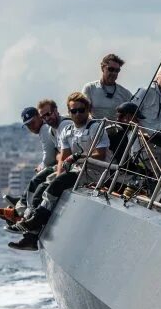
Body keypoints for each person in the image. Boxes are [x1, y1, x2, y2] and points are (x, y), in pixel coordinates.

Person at [9, 92, 109, 251]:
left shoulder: (95, 127)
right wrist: (59, 172)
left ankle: (34, 220)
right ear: (68, 112)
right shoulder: (68, 131)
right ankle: (30, 221)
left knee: (57, 183)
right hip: (78, 171)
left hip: (95, 172)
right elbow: (64, 157)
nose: (77, 114)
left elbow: (101, 155)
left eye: (81, 110)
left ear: (87, 109)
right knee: (48, 184)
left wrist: (78, 157)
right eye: (73, 111)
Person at [82, 53, 132, 121]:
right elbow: (83, 112)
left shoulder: (126, 93)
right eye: (111, 69)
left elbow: (132, 117)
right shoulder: (90, 88)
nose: (114, 73)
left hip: (116, 130)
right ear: (102, 68)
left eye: (117, 70)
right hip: (94, 128)